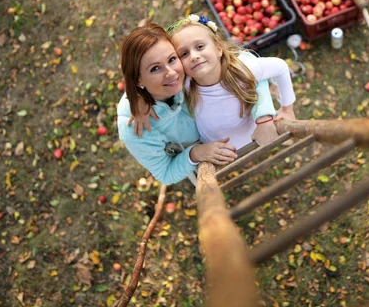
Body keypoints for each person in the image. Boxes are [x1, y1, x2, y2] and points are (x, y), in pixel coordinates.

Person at [117, 23, 277, 186]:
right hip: (197, 156)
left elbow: (250, 71)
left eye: (172, 59)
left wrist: (264, 115)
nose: (171, 73)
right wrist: (196, 154)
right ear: (138, 80)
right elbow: (165, 173)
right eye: (155, 69)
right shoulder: (136, 128)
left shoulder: (190, 68)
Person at [166, 14, 296, 149]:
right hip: (214, 143)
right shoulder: (186, 83)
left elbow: (281, 67)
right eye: (184, 54)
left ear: (218, 48)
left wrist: (287, 109)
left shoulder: (241, 70)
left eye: (200, 47)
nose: (194, 56)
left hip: (251, 137)